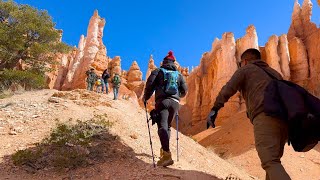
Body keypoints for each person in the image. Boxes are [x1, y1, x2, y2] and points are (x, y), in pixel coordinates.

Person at [207, 48, 291, 180]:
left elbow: (228, 89)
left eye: (240, 63)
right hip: (284, 121)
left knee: (270, 162)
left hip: (265, 116)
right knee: (273, 162)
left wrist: (215, 108)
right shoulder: (275, 73)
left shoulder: (245, 69)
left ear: (245, 61)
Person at [143, 51, 188, 167]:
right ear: (173, 63)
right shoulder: (179, 75)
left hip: (162, 101)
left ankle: (167, 155)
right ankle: (164, 151)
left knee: (162, 126)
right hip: (175, 103)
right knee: (167, 126)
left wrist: (146, 98)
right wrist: (177, 97)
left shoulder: (158, 71)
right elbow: (184, 91)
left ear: (164, 62)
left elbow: (149, 85)